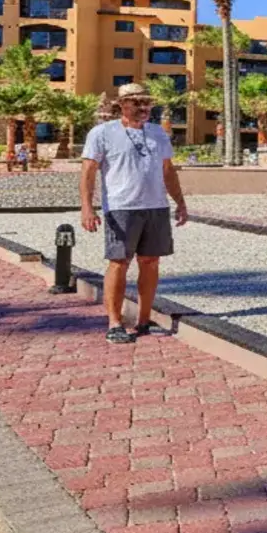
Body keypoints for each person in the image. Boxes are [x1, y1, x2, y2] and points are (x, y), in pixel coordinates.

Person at [79, 83, 188, 343]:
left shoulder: (158, 133)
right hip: (121, 207)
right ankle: (115, 323)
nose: (143, 107)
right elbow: (88, 172)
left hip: (156, 207)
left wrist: (180, 202)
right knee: (119, 262)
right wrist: (87, 207)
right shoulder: (102, 133)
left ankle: (144, 319)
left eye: (147, 102)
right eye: (137, 102)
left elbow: (168, 170)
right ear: (122, 105)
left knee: (150, 262)